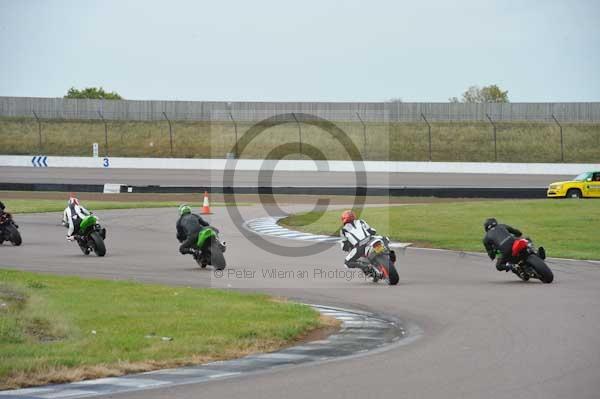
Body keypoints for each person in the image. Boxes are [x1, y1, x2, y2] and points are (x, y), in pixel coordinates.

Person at [339, 210, 393, 279]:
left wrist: (347, 247)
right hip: (371, 240)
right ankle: (388, 253)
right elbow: (372, 231)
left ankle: (365, 267)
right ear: (354, 216)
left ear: (343, 219)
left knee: (347, 263)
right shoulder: (361, 221)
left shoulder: (343, 230)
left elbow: (344, 246)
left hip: (360, 246)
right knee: (385, 239)